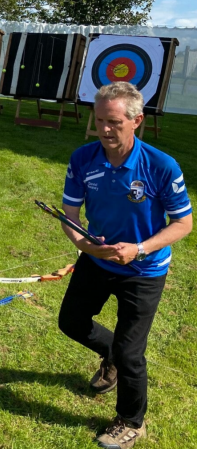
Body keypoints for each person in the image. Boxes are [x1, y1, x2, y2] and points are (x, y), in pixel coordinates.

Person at [58, 82, 192, 449]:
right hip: (97, 260)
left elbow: (183, 224)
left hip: (144, 270)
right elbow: (69, 214)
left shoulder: (161, 166)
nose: (103, 130)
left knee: (133, 352)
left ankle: (131, 421)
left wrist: (140, 248)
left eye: (114, 122)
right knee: (70, 322)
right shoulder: (83, 158)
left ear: (137, 121)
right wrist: (85, 244)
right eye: (99, 120)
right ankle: (110, 355)